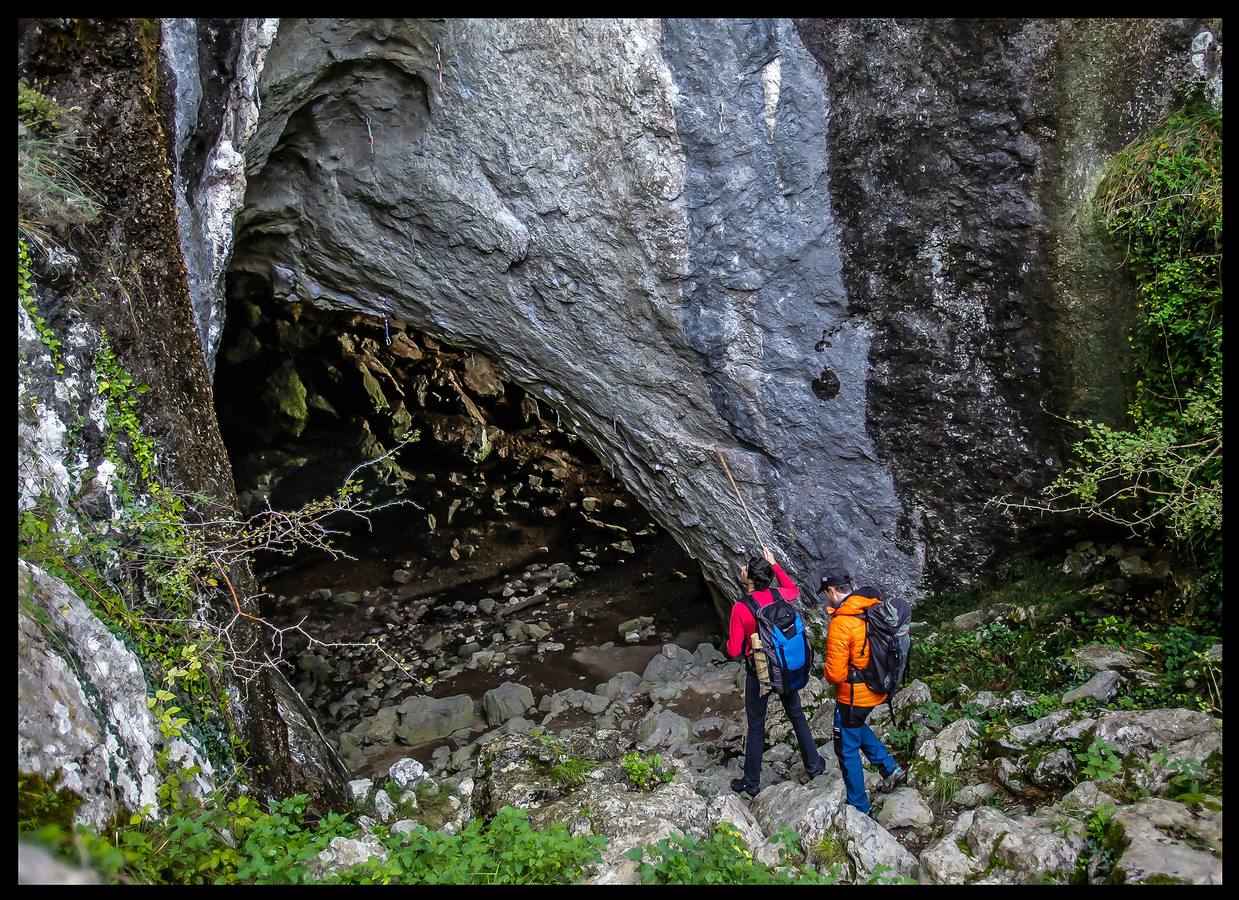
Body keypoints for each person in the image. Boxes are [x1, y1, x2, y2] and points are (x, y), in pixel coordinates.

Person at [725, 548, 825, 797]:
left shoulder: (741, 608)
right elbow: (794, 589)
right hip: (783, 667)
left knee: (757, 725)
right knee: (796, 714)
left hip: (759, 672)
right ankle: (814, 766)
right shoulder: (780, 595)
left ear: (748, 577)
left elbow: (734, 650)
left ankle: (751, 783)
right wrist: (775, 564)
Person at [819, 565, 906, 815]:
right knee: (855, 728)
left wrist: (828, 674)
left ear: (833, 590)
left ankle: (858, 807)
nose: (826, 597)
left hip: (854, 694)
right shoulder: (872, 607)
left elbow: (835, 674)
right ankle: (889, 768)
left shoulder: (842, 622)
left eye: (826, 592)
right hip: (876, 688)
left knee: (845, 748)